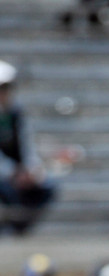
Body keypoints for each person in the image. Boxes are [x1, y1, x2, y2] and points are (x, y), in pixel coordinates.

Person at [0, 60, 57, 236]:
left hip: (17, 175)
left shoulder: (16, 114)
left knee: (47, 187)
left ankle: (18, 230)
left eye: (6, 88)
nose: (4, 93)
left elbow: (27, 145)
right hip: (6, 176)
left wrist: (31, 169)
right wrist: (13, 172)